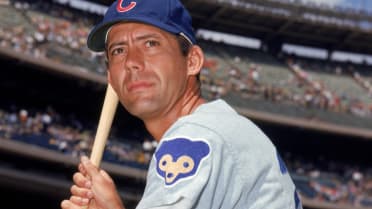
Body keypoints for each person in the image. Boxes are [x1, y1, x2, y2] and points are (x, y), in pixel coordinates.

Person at [61, 0, 302, 208]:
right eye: (119, 50)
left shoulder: (195, 138)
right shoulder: (220, 126)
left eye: (151, 44)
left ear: (193, 61)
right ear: (111, 78)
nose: (132, 62)